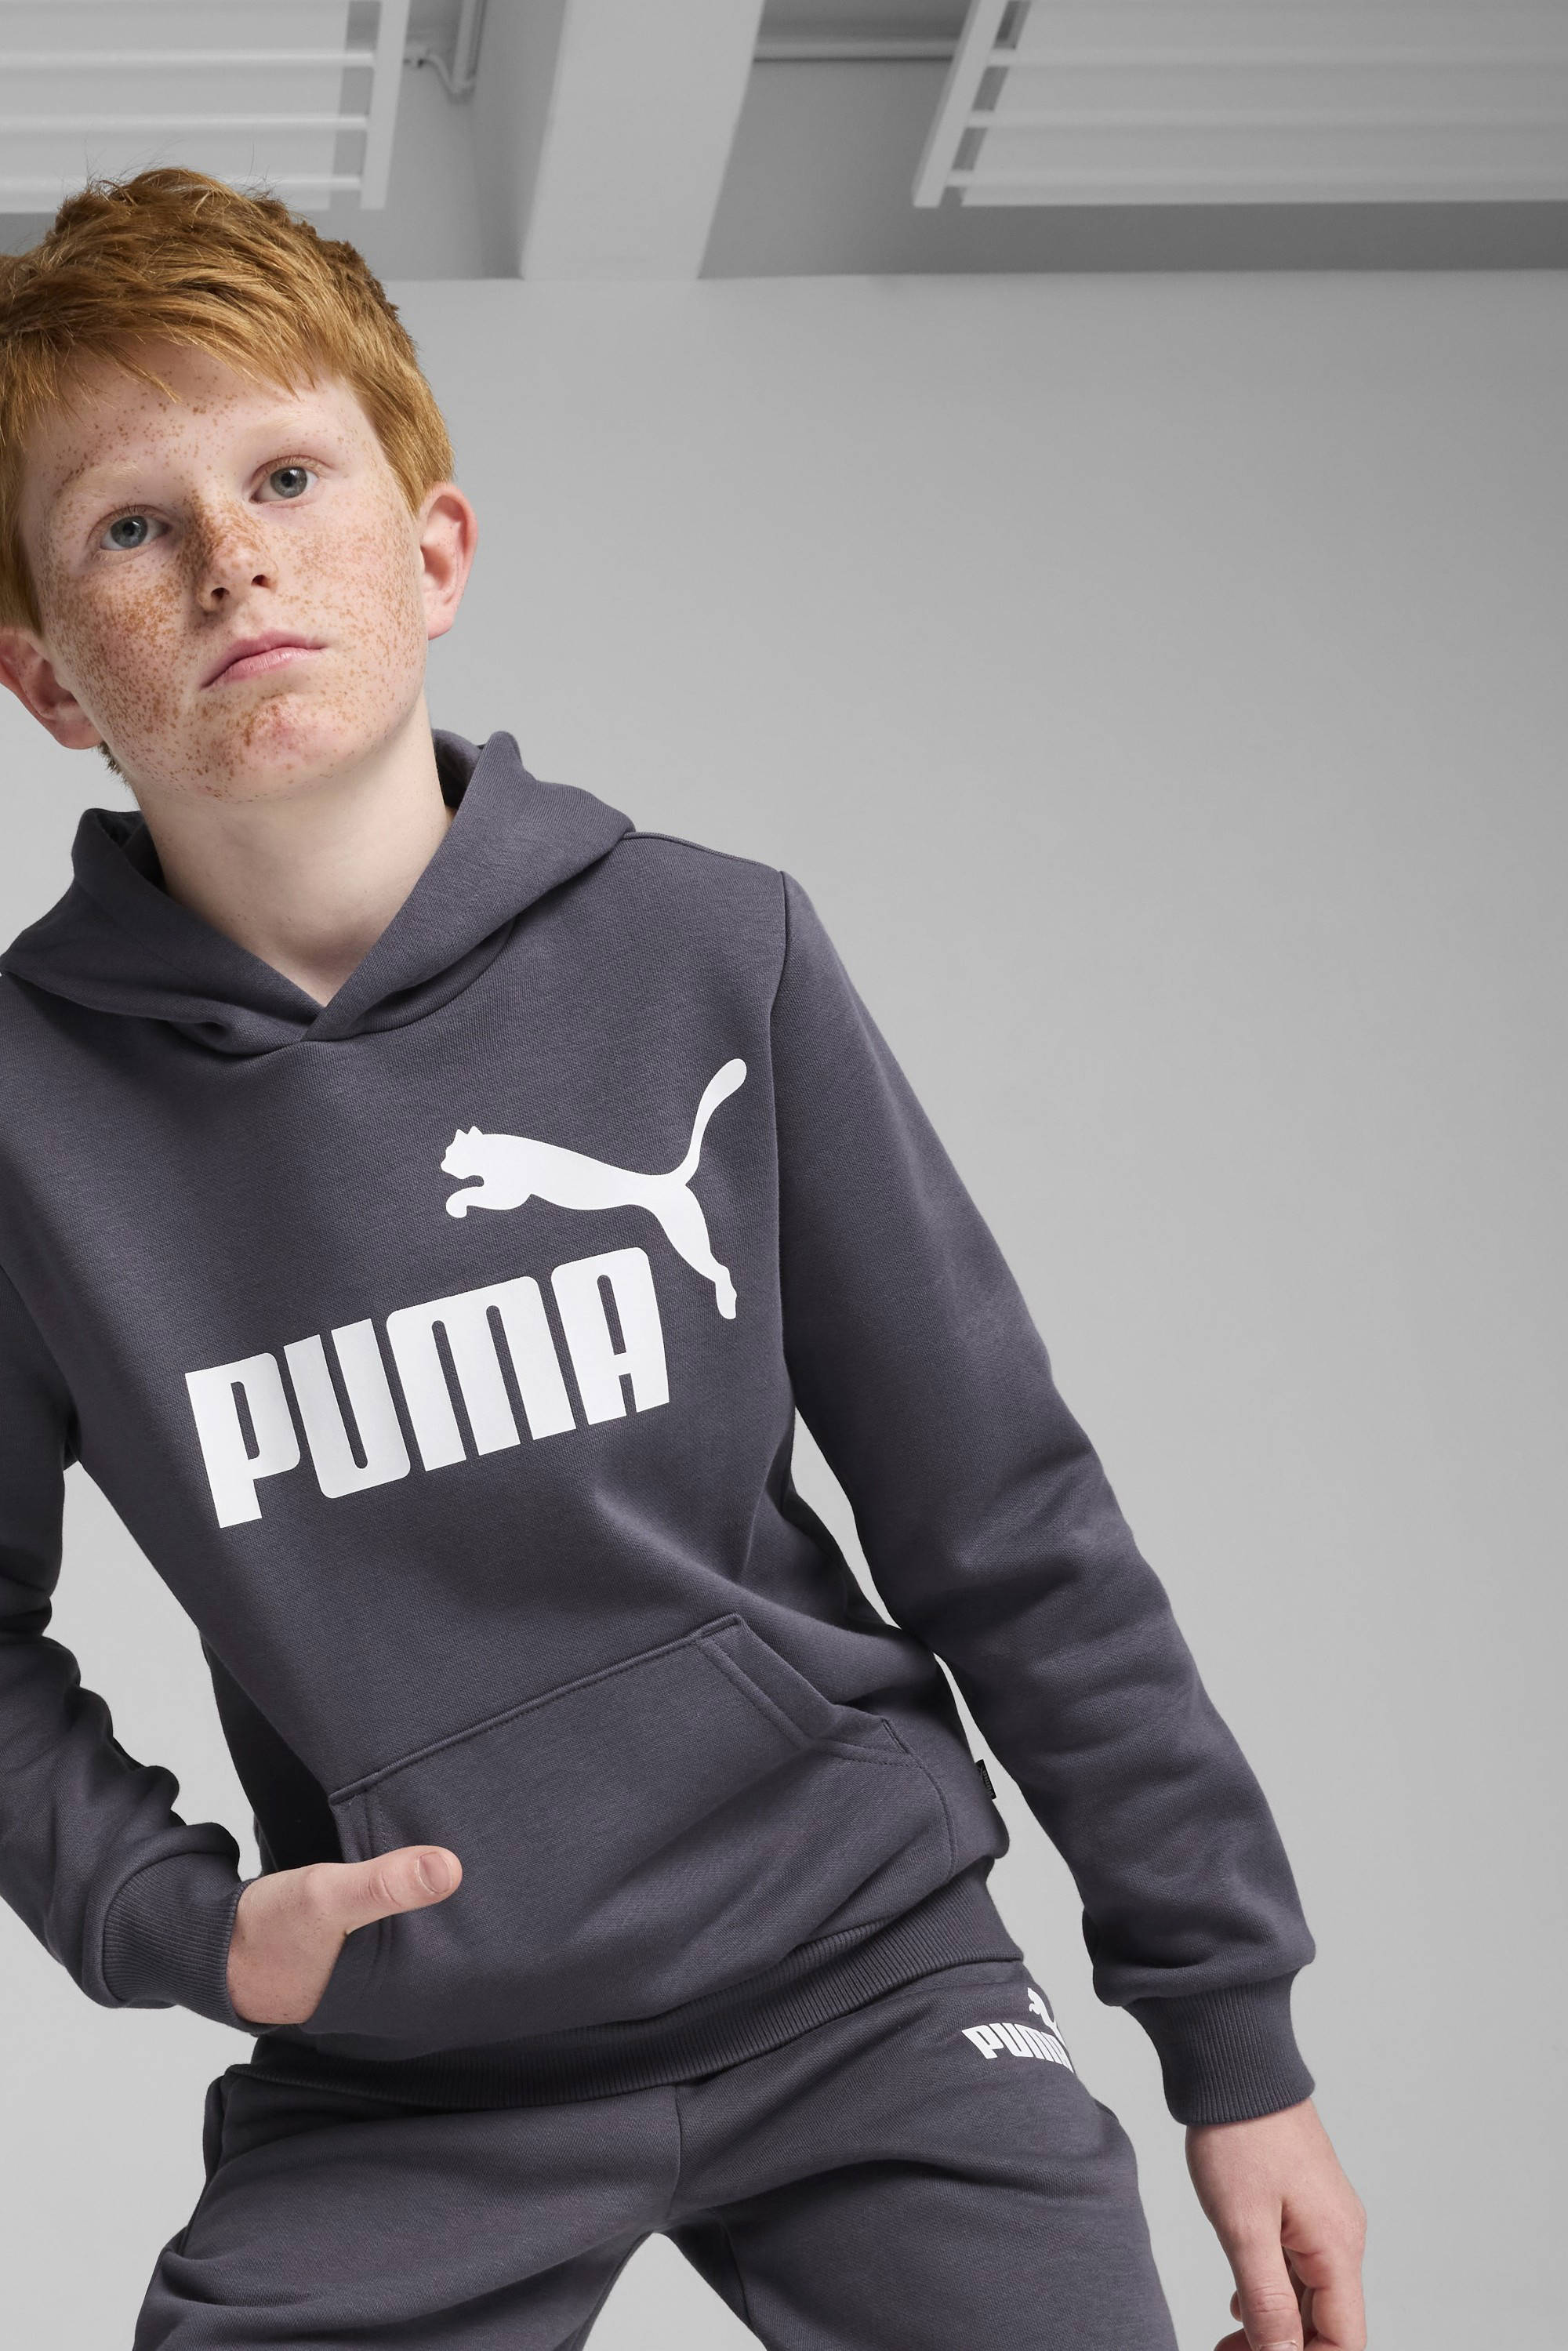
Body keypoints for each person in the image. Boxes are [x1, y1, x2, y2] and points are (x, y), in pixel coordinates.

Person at [0, 169, 1366, 2351]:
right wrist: (182, 1923)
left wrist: (1237, 2040)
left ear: (433, 551)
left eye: (286, 477)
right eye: (129, 528)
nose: (231, 556)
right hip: (412, 2073)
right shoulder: (26, 1120)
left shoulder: (712, 949)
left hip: (864, 1980)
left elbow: (1005, 1514)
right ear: (47, 676)